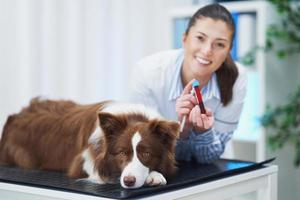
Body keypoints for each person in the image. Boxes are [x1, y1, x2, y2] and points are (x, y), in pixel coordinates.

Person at [128, 3, 247, 163]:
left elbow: (209, 158)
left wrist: (203, 132)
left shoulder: (237, 78)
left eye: (219, 44)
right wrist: (181, 131)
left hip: (214, 171)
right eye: (200, 38)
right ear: (184, 39)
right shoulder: (147, 73)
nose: (207, 50)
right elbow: (147, 152)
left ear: (228, 51)